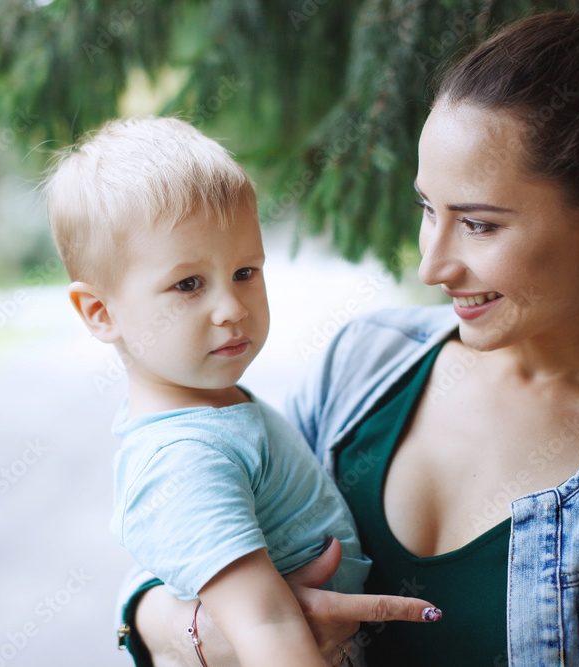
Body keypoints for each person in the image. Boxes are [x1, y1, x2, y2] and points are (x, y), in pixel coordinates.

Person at [125, 11, 579, 666]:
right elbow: (180, 528)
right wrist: (191, 629)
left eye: (478, 225)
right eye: (428, 210)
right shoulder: (361, 363)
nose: (432, 267)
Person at [43, 117, 428, 667]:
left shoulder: (218, 411)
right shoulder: (185, 459)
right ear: (101, 312)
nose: (233, 309)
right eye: (189, 284)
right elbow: (266, 628)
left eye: (245, 271)